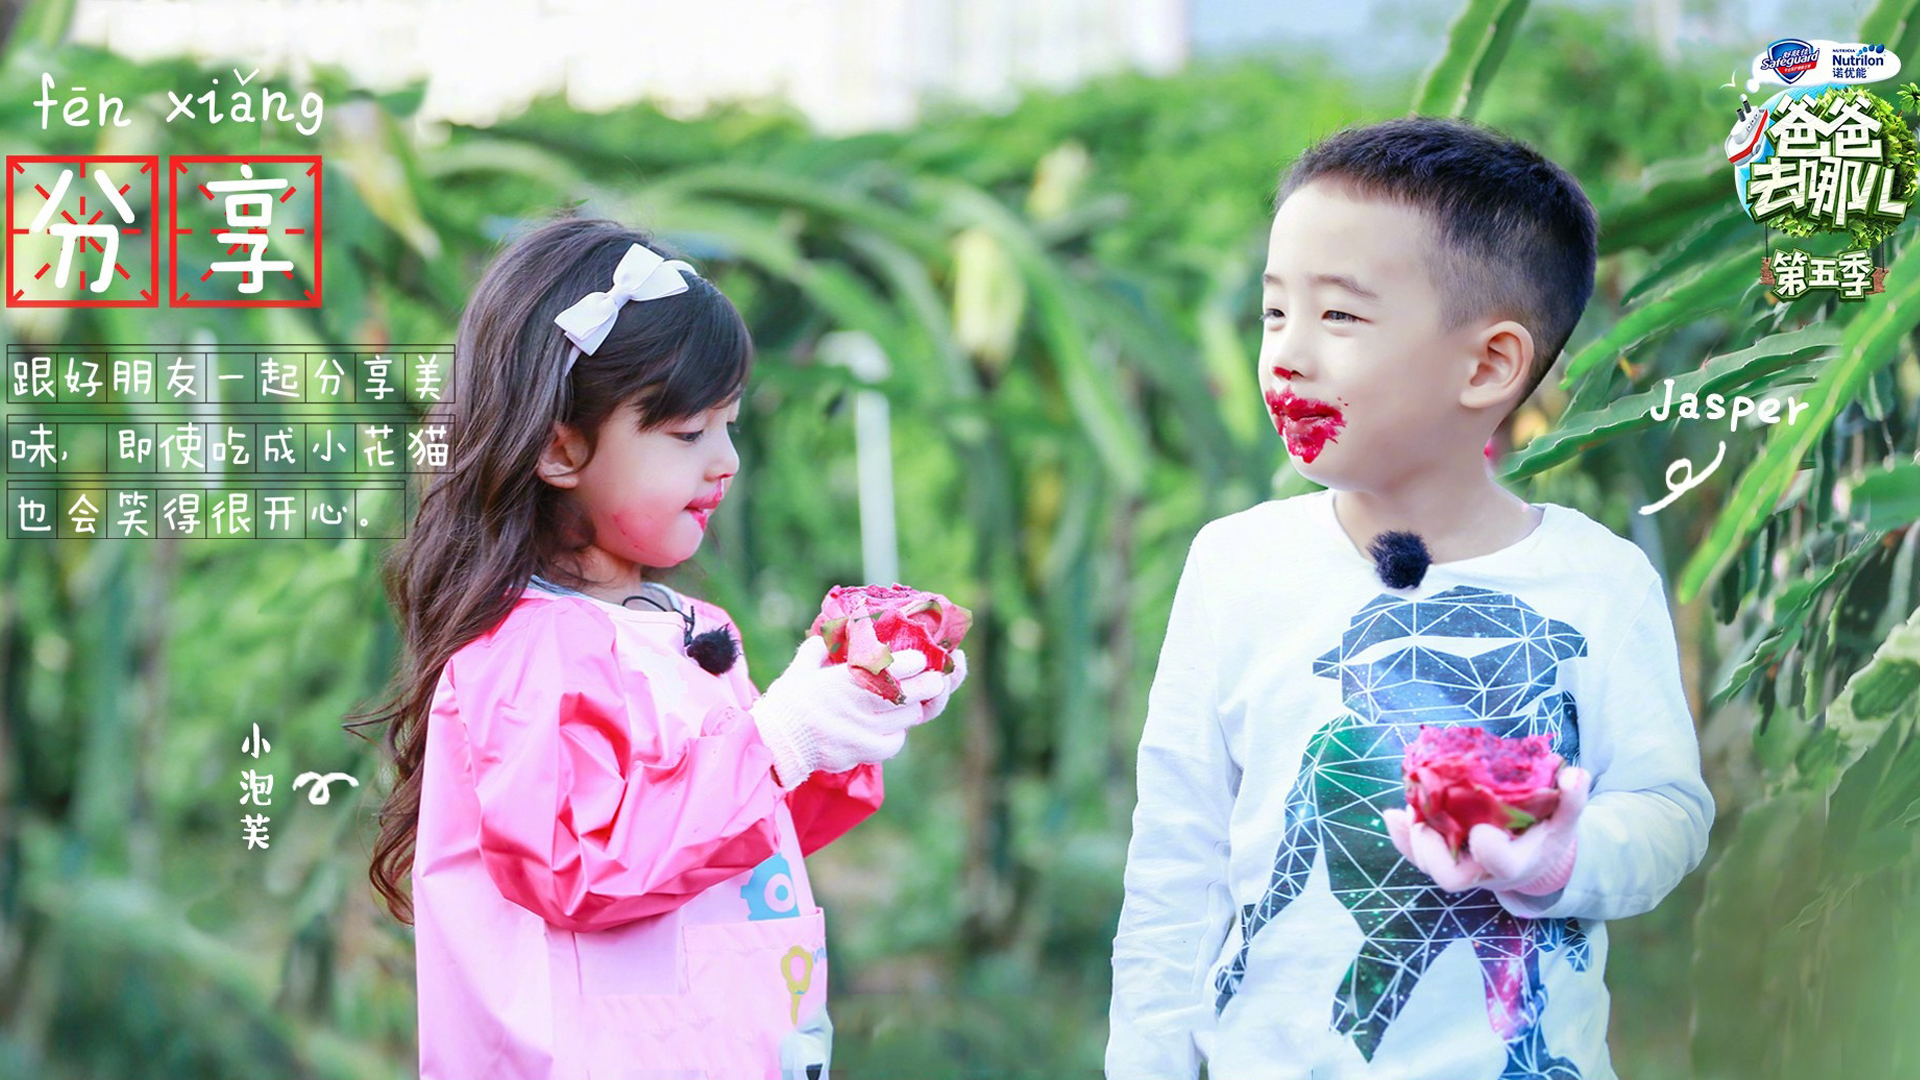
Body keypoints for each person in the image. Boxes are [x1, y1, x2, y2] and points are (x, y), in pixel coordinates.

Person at [1105, 118, 1715, 1080]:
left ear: (1488, 365)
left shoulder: (1597, 583)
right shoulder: (1236, 567)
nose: (1287, 354)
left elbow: (1669, 814)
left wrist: (1558, 857)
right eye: (1274, 312)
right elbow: (1176, 868)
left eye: (1339, 317)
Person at [350, 216, 966, 1080]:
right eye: (688, 433)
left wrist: (845, 720)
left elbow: (739, 842)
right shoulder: (523, 649)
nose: (726, 461)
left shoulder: (692, 626)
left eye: (729, 425)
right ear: (561, 447)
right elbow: (580, 863)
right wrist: (778, 739)